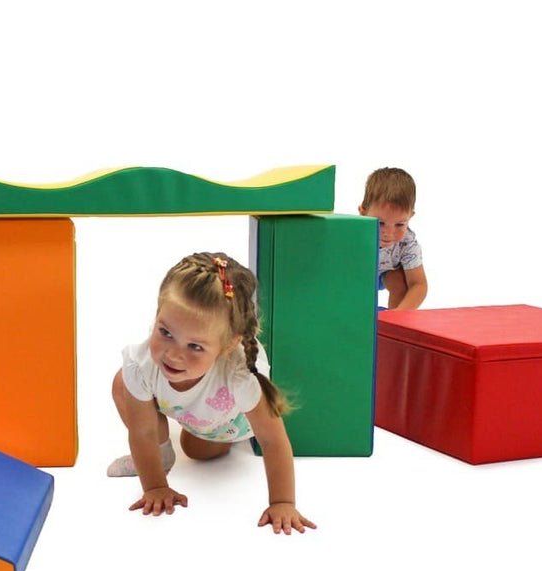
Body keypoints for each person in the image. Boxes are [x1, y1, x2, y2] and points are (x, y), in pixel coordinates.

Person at [108, 252, 315, 535]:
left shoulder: (240, 376)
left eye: (195, 347)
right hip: (185, 406)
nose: (174, 354)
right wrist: (155, 486)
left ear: (228, 345)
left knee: (195, 449)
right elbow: (141, 432)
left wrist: (282, 502)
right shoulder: (143, 362)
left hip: (226, 423)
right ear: (157, 315)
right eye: (166, 332)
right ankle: (163, 455)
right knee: (123, 382)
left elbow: (272, 439)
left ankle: (200, 435)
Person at [358, 167, 428, 310]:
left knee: (398, 281)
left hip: (385, 272)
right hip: (356, 274)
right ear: (363, 213)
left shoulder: (407, 243)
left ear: (410, 217)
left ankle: (393, 321)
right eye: (381, 223)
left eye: (400, 224)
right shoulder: (353, 235)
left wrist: (400, 314)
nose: (389, 233)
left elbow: (418, 284)